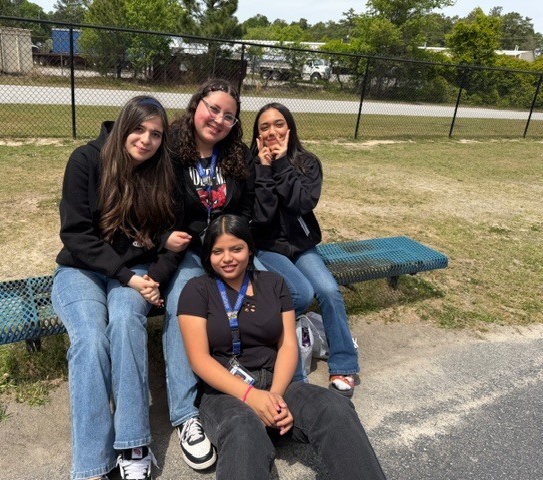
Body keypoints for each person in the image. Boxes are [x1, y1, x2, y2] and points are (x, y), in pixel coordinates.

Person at [177, 214, 387, 480]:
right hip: (225, 393)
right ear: (208, 255)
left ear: (250, 249)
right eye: (218, 251)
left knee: (335, 408)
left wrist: (274, 397)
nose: (227, 258)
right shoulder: (197, 290)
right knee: (243, 429)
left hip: (279, 383)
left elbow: (288, 344)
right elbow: (199, 359)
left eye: (236, 249)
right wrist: (251, 397)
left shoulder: (274, 284)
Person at [52, 96, 182, 480]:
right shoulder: (86, 160)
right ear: (125, 125)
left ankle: (133, 443)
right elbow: (75, 233)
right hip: (82, 269)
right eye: (139, 129)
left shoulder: (162, 171)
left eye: (156, 134)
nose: (146, 140)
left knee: (125, 322)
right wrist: (128, 277)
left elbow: (171, 239)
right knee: (90, 339)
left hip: (137, 270)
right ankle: (93, 465)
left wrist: (152, 276)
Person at [160, 78, 255, 470]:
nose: (218, 119)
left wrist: (232, 244)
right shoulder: (168, 148)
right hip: (188, 252)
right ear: (196, 104)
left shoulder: (237, 155)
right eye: (212, 108)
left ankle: (249, 377)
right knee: (179, 308)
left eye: (228, 116)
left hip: (227, 248)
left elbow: (246, 207)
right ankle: (186, 415)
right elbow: (154, 201)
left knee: (282, 291)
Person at [250, 102, 361, 397]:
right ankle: (292, 346)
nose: (272, 131)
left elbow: (301, 204)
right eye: (264, 127)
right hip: (267, 247)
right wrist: (263, 169)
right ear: (257, 135)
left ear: (289, 128)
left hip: (301, 245)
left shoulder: (307, 163)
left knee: (328, 291)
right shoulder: (252, 165)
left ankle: (344, 363)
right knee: (301, 293)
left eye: (278, 124)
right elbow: (262, 216)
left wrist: (283, 163)